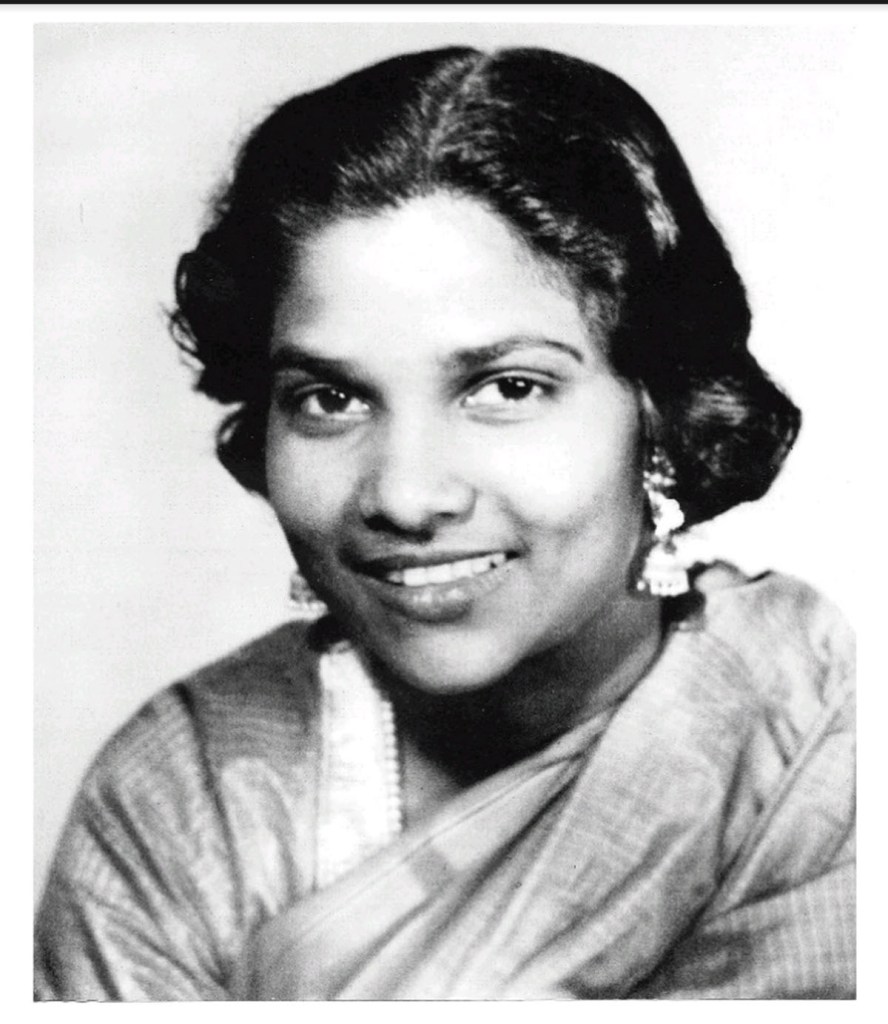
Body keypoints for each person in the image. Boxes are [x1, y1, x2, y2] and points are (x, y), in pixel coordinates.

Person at [34, 46, 855, 1000]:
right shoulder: (191, 794)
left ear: (662, 414)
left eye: (508, 388)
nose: (406, 495)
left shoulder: (818, 743)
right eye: (331, 399)